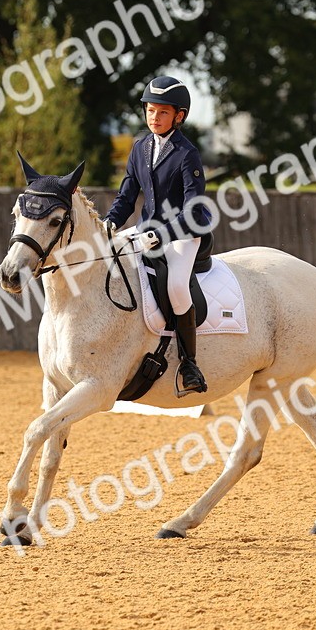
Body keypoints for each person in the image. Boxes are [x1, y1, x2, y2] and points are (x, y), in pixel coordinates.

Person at [103, 75, 211, 395]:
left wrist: (164, 233)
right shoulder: (140, 148)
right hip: (147, 227)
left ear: (179, 116)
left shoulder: (186, 153)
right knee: (112, 261)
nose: (154, 118)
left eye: (162, 112)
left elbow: (194, 208)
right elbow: (126, 197)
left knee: (177, 286)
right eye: (150, 111)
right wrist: (109, 224)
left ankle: (190, 364)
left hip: (183, 232)